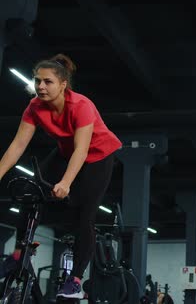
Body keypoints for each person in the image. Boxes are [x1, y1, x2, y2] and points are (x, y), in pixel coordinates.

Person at [0, 54, 122, 298]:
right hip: (66, 152)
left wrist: (66, 182)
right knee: (30, 192)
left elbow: (82, 149)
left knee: (85, 214)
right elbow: (17, 145)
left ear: (63, 84)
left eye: (48, 82)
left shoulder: (81, 105)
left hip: (97, 156)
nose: (41, 87)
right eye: (37, 81)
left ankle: (75, 279)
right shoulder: (34, 106)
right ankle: (17, 256)